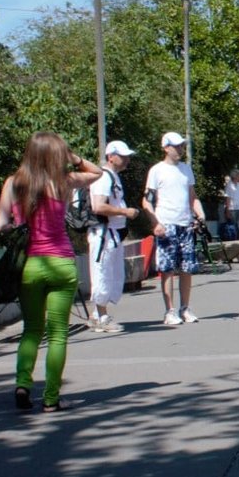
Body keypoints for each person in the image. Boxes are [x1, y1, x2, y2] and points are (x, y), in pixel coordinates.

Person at [0, 132, 104, 412]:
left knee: (31, 330)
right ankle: (52, 399)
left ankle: (23, 384)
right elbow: (97, 172)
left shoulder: (14, 183)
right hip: (62, 264)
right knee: (58, 334)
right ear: (57, 155)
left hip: (31, 265)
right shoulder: (64, 181)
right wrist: (74, 158)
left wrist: (19, 226)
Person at [144, 130, 205, 325]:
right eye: (177, 146)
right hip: (166, 224)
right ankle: (169, 311)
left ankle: (185, 307)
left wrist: (200, 214)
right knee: (168, 269)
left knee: (187, 268)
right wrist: (156, 223)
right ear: (166, 147)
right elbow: (147, 201)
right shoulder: (156, 170)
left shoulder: (186, 169)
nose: (180, 149)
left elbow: (192, 196)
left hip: (186, 224)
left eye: (182, 146)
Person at [86, 140, 140, 333]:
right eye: (123, 156)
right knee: (103, 274)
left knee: (111, 275)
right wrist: (125, 212)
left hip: (112, 233)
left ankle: (96, 315)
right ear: (111, 156)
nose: (127, 160)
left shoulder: (113, 176)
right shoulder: (103, 177)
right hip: (103, 234)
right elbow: (98, 206)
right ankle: (102, 317)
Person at [221, 168, 239, 241]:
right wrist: (227, 210)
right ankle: (235, 241)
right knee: (234, 226)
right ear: (235, 176)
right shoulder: (229, 186)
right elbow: (228, 198)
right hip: (232, 209)